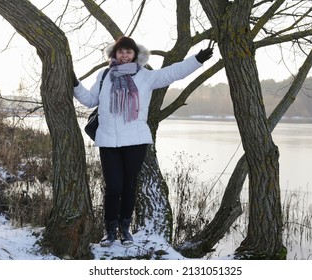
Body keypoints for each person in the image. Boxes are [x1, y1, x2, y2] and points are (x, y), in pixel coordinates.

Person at [73, 36, 213, 247]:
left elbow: (173, 72)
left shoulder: (146, 77)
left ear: (135, 55)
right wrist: (75, 83)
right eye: (120, 51)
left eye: (128, 52)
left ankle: (125, 229)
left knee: (129, 186)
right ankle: (109, 231)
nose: (124, 55)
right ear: (114, 54)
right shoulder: (104, 76)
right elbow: (90, 100)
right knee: (113, 187)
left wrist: (198, 59)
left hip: (136, 141)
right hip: (108, 141)